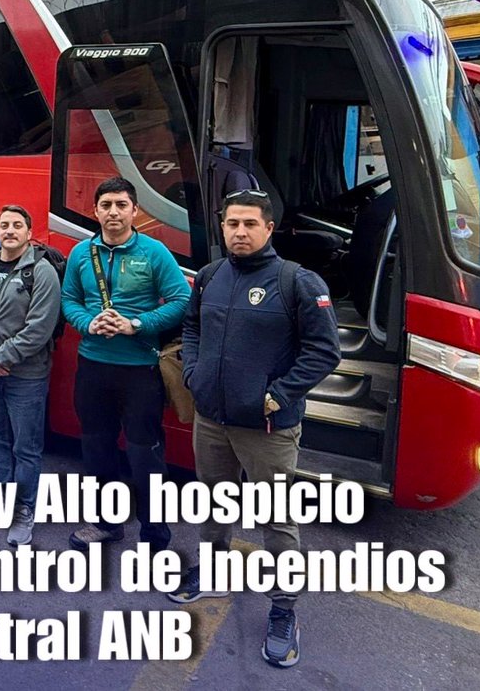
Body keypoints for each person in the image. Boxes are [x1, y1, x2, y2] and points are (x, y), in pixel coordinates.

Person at [170, 189, 340, 669]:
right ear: (222, 227)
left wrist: (280, 394)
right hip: (212, 419)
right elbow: (191, 328)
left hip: (267, 428)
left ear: (268, 228)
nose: (239, 232)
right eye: (232, 224)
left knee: (276, 519)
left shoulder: (296, 282)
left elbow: (324, 351)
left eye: (249, 224)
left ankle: (283, 610)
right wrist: (193, 374)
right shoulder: (210, 276)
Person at [60, 176, 190, 551]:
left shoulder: (154, 252)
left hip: (140, 371)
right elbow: (69, 300)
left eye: (121, 205)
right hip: (93, 367)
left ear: (135, 210)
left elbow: (182, 300)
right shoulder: (81, 254)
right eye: (106, 205)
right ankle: (106, 524)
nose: (113, 212)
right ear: (95, 211)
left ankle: (155, 535)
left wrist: (138, 324)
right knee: (97, 450)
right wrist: (89, 323)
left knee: (144, 454)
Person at [0, 205, 61, 546]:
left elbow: (39, 328)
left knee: (26, 447)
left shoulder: (41, 272)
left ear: (29, 233)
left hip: (26, 376)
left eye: (18, 225)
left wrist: (0, 356)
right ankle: (1, 503)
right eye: (4, 224)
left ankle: (24, 511)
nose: (9, 230)